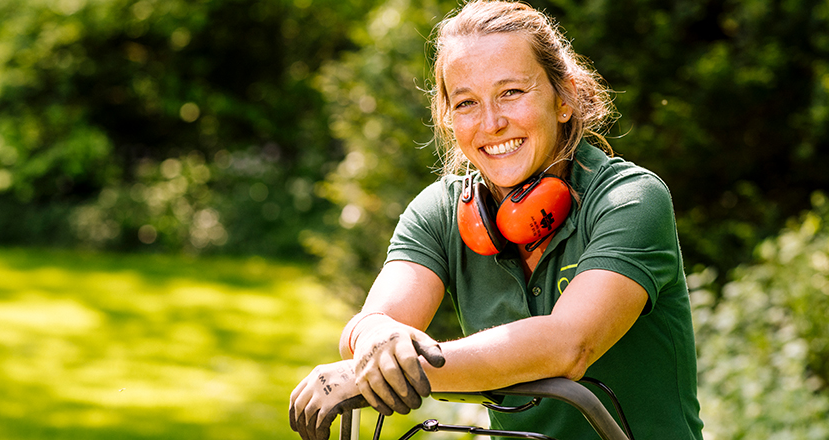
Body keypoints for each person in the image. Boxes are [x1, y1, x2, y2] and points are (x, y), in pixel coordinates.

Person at [289, 1, 704, 439]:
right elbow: (374, 324)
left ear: (563, 98)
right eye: (467, 103)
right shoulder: (441, 212)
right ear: (448, 119)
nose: (492, 123)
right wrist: (375, 338)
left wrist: (398, 370)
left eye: (511, 92)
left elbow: (568, 345)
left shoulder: (630, 199)